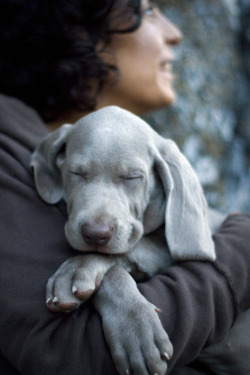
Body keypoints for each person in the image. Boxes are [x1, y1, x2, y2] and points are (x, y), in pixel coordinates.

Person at [0, 0, 249, 374]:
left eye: (131, 177)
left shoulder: (153, 159)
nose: (175, 33)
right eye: (147, 12)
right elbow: (74, 352)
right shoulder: (10, 136)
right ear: (82, 35)